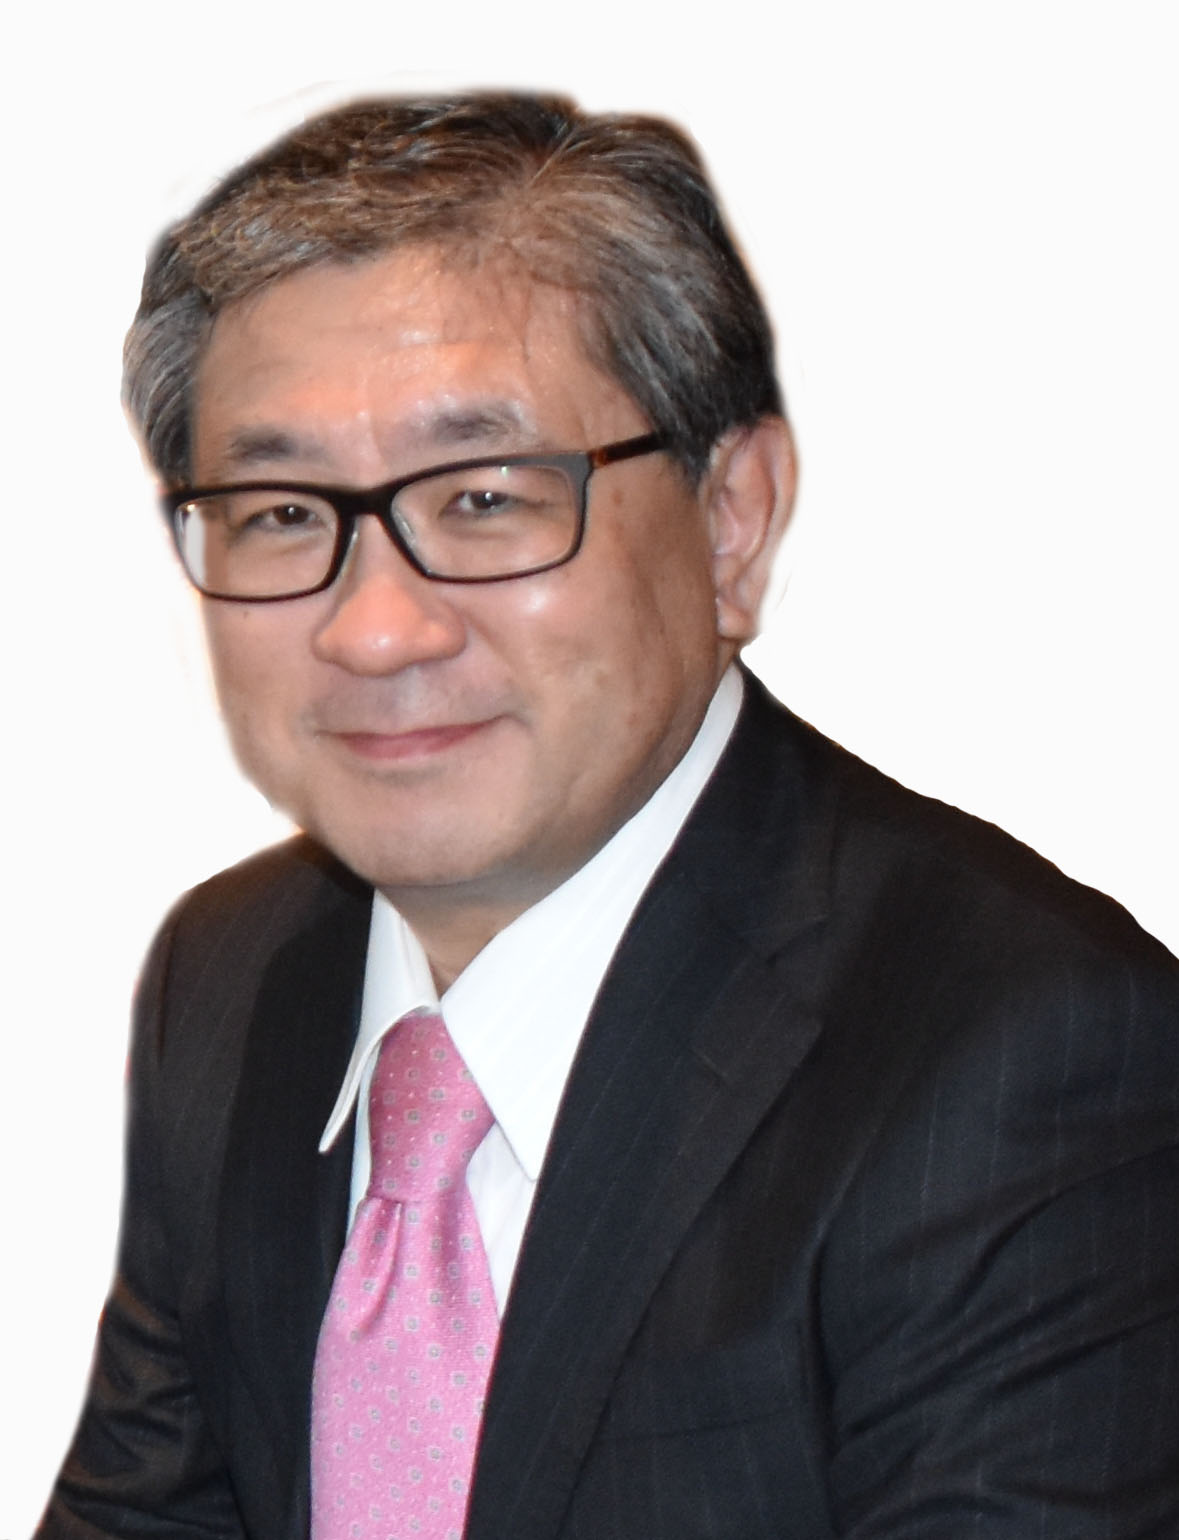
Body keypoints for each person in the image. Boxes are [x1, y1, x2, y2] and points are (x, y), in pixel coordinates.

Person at [39, 91, 1179, 1540]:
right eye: (280, 514)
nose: (374, 629)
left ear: (732, 519)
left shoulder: (1030, 1052)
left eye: (486, 499)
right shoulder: (229, 975)